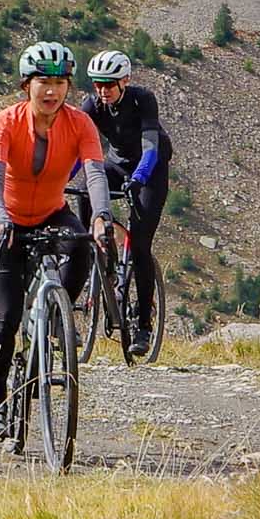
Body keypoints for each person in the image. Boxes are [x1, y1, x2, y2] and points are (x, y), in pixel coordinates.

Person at [0, 40, 109, 440]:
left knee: (84, 245)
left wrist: (102, 216)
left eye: (59, 82)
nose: (51, 91)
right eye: (42, 82)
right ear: (26, 85)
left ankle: (56, 320)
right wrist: (0, 220)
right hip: (7, 220)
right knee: (7, 315)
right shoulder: (5, 122)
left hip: (53, 213)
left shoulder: (79, 123)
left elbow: (95, 173)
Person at [82, 50, 170, 346]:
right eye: (97, 84)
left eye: (108, 84)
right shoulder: (92, 105)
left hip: (150, 170)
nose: (102, 91)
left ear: (125, 81)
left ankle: (144, 323)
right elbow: (76, 150)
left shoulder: (142, 99)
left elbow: (151, 147)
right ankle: (98, 252)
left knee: (141, 245)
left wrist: (140, 178)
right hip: (117, 165)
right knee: (84, 192)